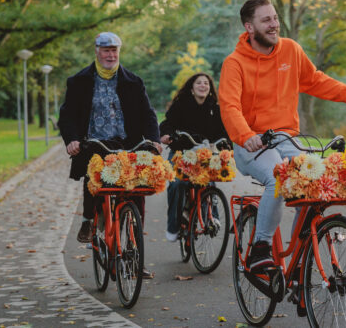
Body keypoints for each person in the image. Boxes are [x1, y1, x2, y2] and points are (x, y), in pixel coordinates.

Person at [219, 0, 346, 272]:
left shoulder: (290, 50)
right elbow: (230, 106)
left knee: (315, 182)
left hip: (287, 138)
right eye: (266, 20)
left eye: (275, 18)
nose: (274, 25)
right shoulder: (235, 63)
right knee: (279, 178)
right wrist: (246, 135)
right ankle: (261, 248)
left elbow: (314, 80)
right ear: (249, 27)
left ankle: (300, 257)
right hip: (252, 144)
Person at [58, 32, 161, 278]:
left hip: (128, 144)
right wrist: (72, 139)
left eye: (114, 50)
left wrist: (154, 140)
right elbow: (68, 114)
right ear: (96, 51)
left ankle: (134, 254)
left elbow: (148, 113)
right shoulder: (79, 81)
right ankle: (89, 219)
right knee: (95, 180)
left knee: (136, 194)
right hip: (94, 144)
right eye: (105, 50)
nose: (110, 54)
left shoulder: (133, 82)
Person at [159, 72, 229, 242]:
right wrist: (167, 135)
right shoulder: (180, 105)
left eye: (206, 83)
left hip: (204, 152)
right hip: (180, 152)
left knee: (209, 178)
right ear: (192, 88)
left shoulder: (215, 108)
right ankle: (174, 225)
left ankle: (211, 218)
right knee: (177, 184)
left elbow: (223, 131)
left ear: (210, 88)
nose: (203, 85)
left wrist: (225, 144)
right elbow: (167, 123)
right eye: (199, 83)